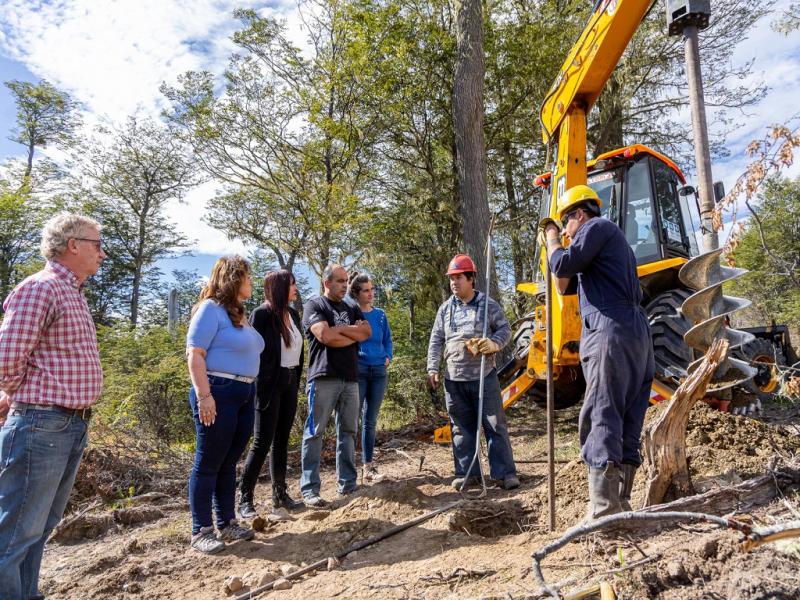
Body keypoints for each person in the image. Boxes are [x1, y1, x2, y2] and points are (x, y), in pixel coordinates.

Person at [0, 213, 106, 599]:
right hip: (42, 423)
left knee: (39, 528)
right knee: (14, 535)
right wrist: (17, 395)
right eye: (96, 244)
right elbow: (7, 358)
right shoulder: (40, 288)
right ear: (72, 245)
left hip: (67, 425)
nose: (102, 253)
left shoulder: (72, 292)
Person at [542, 184, 654, 518]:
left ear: (579, 214)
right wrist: (556, 251)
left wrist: (550, 238)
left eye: (566, 224)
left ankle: (604, 511)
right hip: (634, 336)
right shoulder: (608, 247)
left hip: (610, 332)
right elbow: (564, 283)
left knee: (601, 415)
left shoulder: (597, 227)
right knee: (627, 415)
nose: (565, 232)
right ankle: (620, 503)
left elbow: (561, 264)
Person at [186, 256, 265, 554]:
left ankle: (227, 521)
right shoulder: (210, 310)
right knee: (208, 461)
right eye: (246, 277)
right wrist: (205, 396)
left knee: (229, 461)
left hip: (245, 392)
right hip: (218, 390)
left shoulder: (236, 314)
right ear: (233, 279)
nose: (250, 282)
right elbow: (195, 354)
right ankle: (201, 530)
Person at [426, 254, 519, 491]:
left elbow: (505, 329)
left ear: (471, 279)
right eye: (451, 279)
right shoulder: (445, 309)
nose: (454, 283)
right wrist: (432, 367)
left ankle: (505, 473)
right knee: (460, 428)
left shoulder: (488, 305)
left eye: (459, 278)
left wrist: (494, 343)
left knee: (494, 424)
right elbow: (436, 339)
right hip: (454, 378)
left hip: (483, 376)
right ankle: (468, 473)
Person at [300, 265, 371, 507]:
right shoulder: (315, 305)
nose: (344, 285)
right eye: (339, 281)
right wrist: (350, 334)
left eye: (346, 281)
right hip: (323, 377)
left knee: (349, 431)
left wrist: (338, 329)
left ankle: (348, 484)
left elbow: (366, 332)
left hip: (350, 378)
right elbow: (324, 337)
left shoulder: (351, 306)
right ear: (326, 283)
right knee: (315, 432)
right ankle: (310, 489)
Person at [238, 270, 304, 518]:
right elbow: (254, 350)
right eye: (292, 284)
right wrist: (261, 381)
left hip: (290, 381)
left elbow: (297, 352)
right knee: (262, 441)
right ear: (279, 288)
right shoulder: (262, 314)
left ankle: (280, 495)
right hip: (269, 384)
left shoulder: (294, 314)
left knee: (282, 441)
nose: (295, 288)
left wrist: (295, 380)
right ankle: (245, 498)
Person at [348, 272, 393, 483]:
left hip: (379, 372)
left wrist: (388, 357)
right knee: (352, 420)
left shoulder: (381, 315)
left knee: (370, 420)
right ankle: (348, 471)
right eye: (366, 290)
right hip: (360, 371)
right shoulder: (351, 313)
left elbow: (388, 340)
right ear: (356, 293)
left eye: (372, 289)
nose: (371, 293)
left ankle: (368, 466)